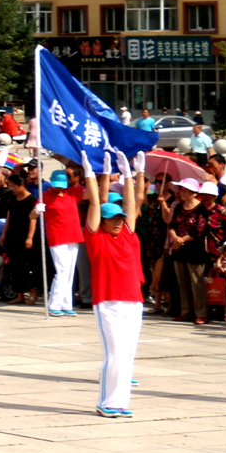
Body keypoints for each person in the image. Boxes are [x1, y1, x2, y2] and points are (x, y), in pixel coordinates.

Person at [87, 162, 143, 417]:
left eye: (120, 219)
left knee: (128, 354)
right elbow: (95, 204)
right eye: (113, 220)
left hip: (134, 301)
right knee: (116, 353)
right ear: (103, 223)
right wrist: (93, 175)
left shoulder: (130, 236)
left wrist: (130, 174)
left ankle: (121, 402)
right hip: (108, 301)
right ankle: (106, 402)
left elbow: (131, 204)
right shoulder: (96, 238)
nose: (119, 223)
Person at [43, 168, 85, 316]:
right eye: (56, 184)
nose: (59, 187)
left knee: (70, 271)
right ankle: (54, 304)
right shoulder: (44, 196)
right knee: (62, 270)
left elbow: (93, 196)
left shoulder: (72, 194)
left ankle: (66, 303)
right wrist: (36, 210)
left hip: (74, 235)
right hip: (57, 236)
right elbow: (32, 216)